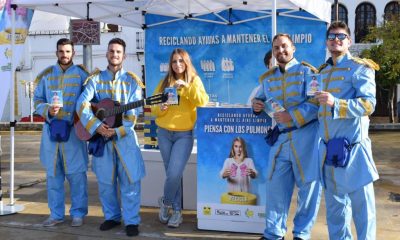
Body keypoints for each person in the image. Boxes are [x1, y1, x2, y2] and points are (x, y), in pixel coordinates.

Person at [252, 34, 322, 240]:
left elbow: (316, 103)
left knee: (309, 189)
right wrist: (256, 106)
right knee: (275, 189)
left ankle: (301, 234)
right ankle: (273, 234)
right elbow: (261, 100)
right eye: (276, 48)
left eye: (284, 46)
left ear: (293, 48)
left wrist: (292, 115)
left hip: (306, 139)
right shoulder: (267, 79)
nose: (280, 51)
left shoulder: (308, 73)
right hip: (281, 141)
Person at [315, 21, 379, 240]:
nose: (336, 40)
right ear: (326, 42)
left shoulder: (361, 68)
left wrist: (336, 103)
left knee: (363, 211)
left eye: (341, 37)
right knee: (335, 212)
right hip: (329, 153)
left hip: (353, 152)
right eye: (332, 37)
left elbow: (369, 105)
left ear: (349, 41)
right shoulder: (321, 72)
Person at [76, 38, 145, 237]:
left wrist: (118, 131)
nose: (114, 55)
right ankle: (112, 217)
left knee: (130, 181)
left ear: (124, 55)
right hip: (102, 140)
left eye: (118, 52)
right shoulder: (94, 80)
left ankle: (132, 221)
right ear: (106, 54)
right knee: (106, 182)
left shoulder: (132, 81)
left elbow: (133, 113)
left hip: (125, 140)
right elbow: (82, 105)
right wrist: (98, 127)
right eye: (111, 51)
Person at [33, 38, 89, 227]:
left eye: (67, 51)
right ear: (56, 53)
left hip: (74, 134)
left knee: (77, 176)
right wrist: (47, 109)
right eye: (61, 51)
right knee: (53, 177)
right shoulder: (46, 75)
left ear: (73, 53)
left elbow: (91, 101)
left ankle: (78, 214)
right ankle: (56, 214)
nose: (64, 55)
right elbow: (37, 100)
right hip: (51, 134)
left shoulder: (83, 75)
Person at [152, 48, 209, 228]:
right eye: (174, 61)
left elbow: (203, 101)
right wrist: (160, 108)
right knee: (172, 175)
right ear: (170, 64)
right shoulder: (164, 83)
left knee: (175, 173)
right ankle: (176, 211)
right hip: (163, 133)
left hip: (184, 134)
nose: (177, 65)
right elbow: (153, 108)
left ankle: (166, 202)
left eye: (181, 61)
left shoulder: (194, 80)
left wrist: (186, 89)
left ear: (187, 63)